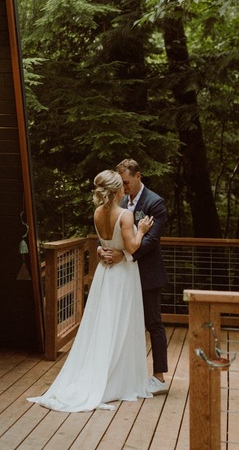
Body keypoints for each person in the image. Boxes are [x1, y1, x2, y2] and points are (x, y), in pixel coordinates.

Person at [28, 170, 154, 413]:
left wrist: (101, 250)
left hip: (105, 275)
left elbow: (104, 242)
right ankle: (117, 379)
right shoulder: (126, 215)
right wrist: (142, 230)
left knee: (102, 324)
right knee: (121, 324)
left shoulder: (98, 213)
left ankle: (103, 372)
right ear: (118, 191)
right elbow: (132, 247)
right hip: (123, 277)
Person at [99, 158, 169, 395]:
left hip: (146, 273)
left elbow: (150, 241)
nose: (125, 187)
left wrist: (124, 256)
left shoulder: (155, 203)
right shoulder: (122, 202)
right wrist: (104, 249)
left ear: (138, 176)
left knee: (153, 323)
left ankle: (159, 378)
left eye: (127, 182)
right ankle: (125, 375)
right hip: (124, 277)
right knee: (124, 324)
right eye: (121, 184)